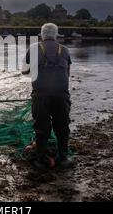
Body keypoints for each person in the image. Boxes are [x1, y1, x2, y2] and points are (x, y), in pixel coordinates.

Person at [22, 23, 74, 169]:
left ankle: (40, 161)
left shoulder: (33, 49)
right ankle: (63, 159)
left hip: (41, 95)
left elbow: (24, 71)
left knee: (41, 128)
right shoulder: (64, 50)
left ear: (41, 35)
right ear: (56, 35)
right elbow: (68, 73)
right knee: (62, 127)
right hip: (61, 95)